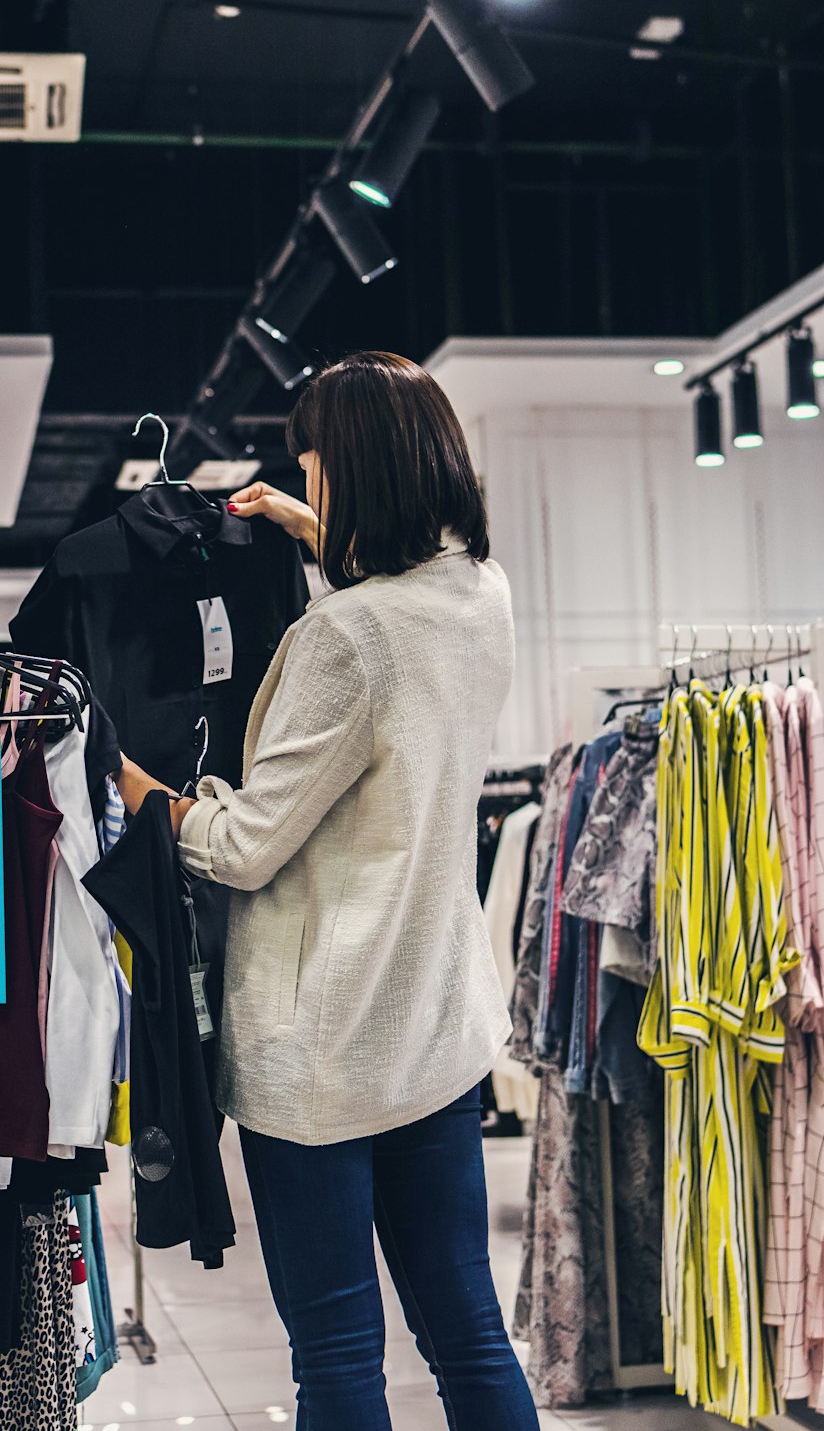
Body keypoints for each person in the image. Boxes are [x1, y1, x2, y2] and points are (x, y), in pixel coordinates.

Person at [117, 351, 538, 1431]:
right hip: (431, 1029)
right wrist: (319, 540)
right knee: (467, 1332)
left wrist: (135, 786)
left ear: (351, 471)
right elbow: (392, 678)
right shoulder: (478, 597)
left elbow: (249, 846)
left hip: (320, 1051)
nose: (308, 483)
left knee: (339, 1355)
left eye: (316, 468)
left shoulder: (343, 639)